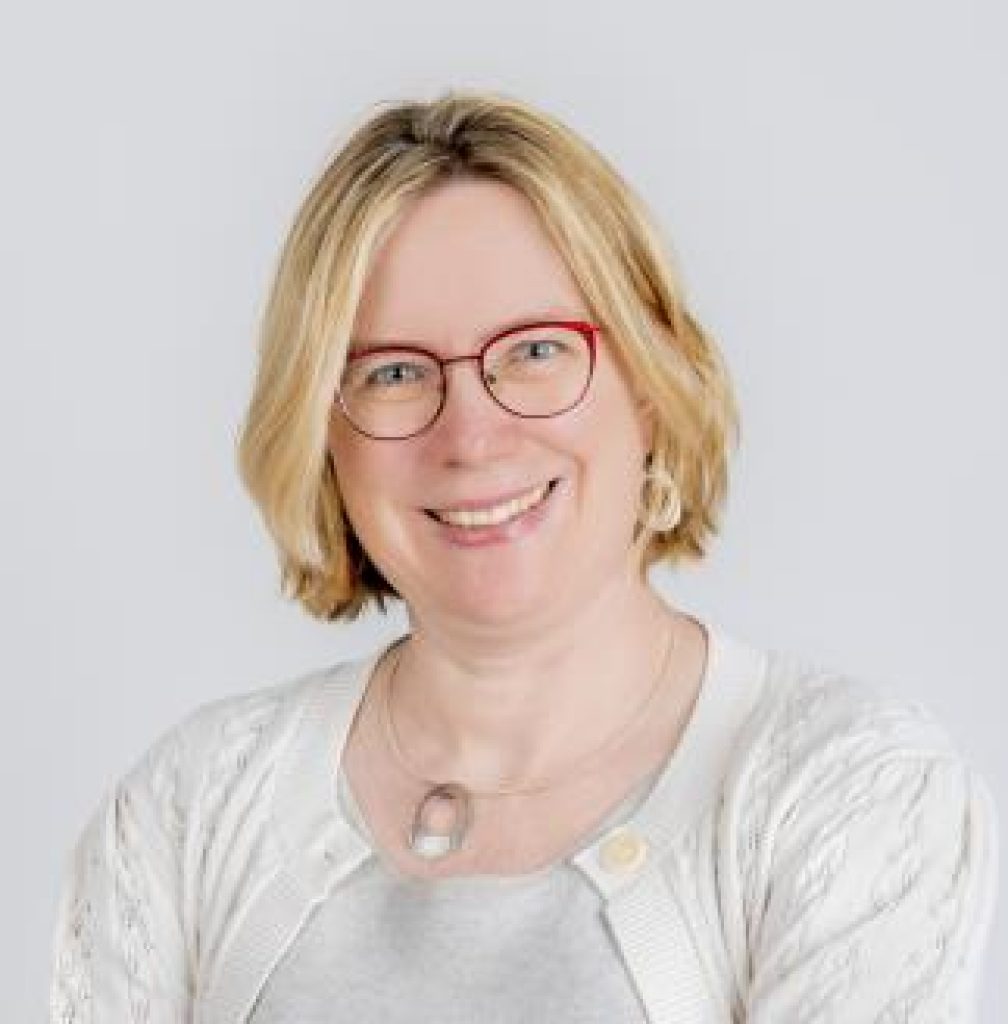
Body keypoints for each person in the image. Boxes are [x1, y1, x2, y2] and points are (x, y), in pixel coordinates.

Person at [49, 89, 998, 1023]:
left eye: (536, 351)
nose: (470, 436)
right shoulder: (187, 809)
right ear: (321, 433)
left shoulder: (846, 788)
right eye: (392, 372)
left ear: (652, 384)